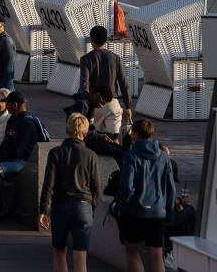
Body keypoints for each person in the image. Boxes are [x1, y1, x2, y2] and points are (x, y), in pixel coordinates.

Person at [38, 113, 100, 272]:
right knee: (80, 256)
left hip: (61, 206)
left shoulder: (56, 153)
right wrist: (92, 207)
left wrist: (43, 209)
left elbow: (48, 184)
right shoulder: (91, 155)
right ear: (85, 132)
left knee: (59, 252)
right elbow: (96, 187)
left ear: (67, 129)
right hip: (83, 207)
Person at [115, 119, 176, 272]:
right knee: (156, 254)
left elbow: (127, 187)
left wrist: (122, 206)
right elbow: (171, 188)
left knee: (132, 253)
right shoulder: (163, 157)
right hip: (157, 212)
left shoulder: (131, 156)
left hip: (134, 211)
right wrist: (168, 210)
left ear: (136, 134)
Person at [0, 92, 40, 218]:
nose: (6, 106)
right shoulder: (13, 119)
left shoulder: (27, 123)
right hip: (8, 157)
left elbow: (19, 151)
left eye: (8, 104)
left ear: (15, 105)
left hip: (21, 161)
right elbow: (6, 143)